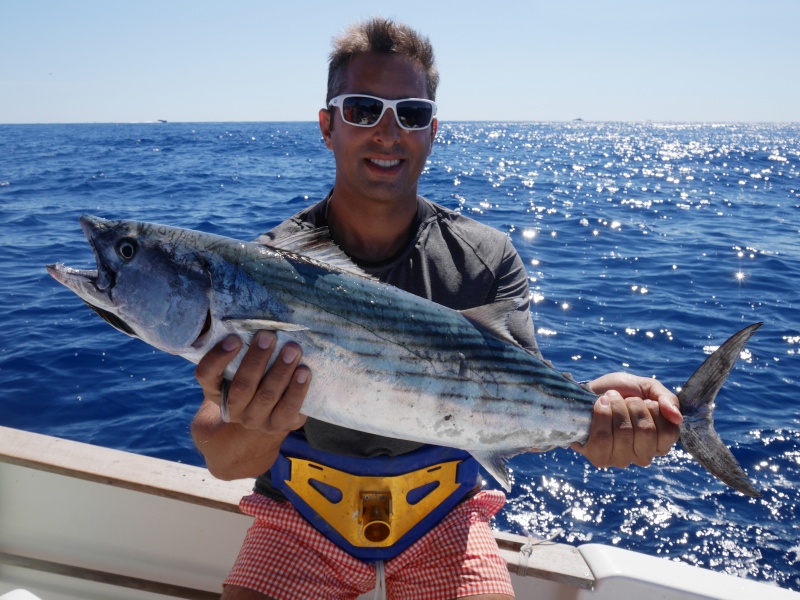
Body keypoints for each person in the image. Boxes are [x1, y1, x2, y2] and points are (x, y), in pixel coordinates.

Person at [191, 17, 682, 600]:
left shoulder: (484, 258)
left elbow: (510, 403)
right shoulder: (267, 267)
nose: (388, 132)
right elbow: (223, 459)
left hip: (445, 516)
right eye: (362, 110)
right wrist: (252, 421)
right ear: (327, 126)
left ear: (432, 131)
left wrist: (592, 418)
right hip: (300, 511)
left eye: (412, 114)